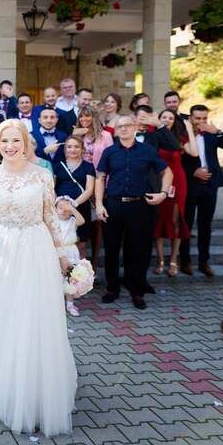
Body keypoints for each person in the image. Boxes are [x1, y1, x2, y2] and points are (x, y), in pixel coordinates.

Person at [0, 119, 76, 437]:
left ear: (25, 142)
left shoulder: (42, 176)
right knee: (3, 316)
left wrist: (62, 253)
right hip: (0, 254)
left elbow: (50, 216)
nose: (10, 146)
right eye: (4, 141)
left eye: (15, 140)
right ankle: (2, 385)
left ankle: (36, 391)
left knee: (33, 317)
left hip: (36, 251)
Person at [95, 115, 173, 310]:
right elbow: (100, 177)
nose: (123, 129)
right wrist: (98, 203)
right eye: (120, 126)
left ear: (136, 127)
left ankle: (137, 290)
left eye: (127, 125)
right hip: (114, 205)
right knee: (112, 249)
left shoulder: (147, 151)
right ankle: (112, 288)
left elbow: (167, 172)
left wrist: (163, 193)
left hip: (140, 206)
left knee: (137, 249)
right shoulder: (110, 151)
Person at [179, 105, 223, 277]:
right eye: (198, 118)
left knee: (205, 225)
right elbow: (177, 162)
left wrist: (218, 131)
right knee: (187, 224)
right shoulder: (183, 135)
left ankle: (203, 262)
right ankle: (185, 262)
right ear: (191, 118)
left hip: (210, 185)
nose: (201, 122)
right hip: (191, 184)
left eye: (204, 118)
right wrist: (193, 172)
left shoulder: (212, 133)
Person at [153, 109, 197, 277]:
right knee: (159, 219)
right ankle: (160, 260)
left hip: (178, 181)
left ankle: (173, 259)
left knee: (176, 220)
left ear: (174, 121)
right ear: (159, 119)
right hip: (159, 181)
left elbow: (194, 152)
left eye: (171, 118)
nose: (167, 120)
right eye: (164, 117)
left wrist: (189, 129)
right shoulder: (155, 136)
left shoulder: (179, 137)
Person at [73, 105, 113, 270]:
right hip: (80, 183)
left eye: (87, 117)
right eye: (82, 117)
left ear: (94, 118)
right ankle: (80, 264)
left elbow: (110, 160)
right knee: (80, 225)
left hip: (98, 182)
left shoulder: (105, 136)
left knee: (97, 225)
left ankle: (95, 263)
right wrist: (74, 135)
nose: (84, 120)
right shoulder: (76, 135)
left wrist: (105, 186)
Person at [54, 135, 95, 265]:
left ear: (82, 149)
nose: (73, 149)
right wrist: (59, 204)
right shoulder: (58, 165)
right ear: (65, 149)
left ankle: (81, 278)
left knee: (81, 244)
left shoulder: (88, 166)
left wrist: (74, 204)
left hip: (81, 208)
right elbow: (52, 187)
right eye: (69, 147)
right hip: (60, 211)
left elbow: (89, 189)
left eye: (76, 147)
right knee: (61, 243)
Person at [55, 196, 85, 317]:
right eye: (60, 208)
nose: (63, 210)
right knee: (56, 277)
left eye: (66, 208)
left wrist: (72, 209)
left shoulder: (73, 221)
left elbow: (82, 221)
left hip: (70, 251)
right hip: (57, 252)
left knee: (69, 279)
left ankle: (70, 304)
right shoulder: (53, 221)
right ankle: (56, 303)